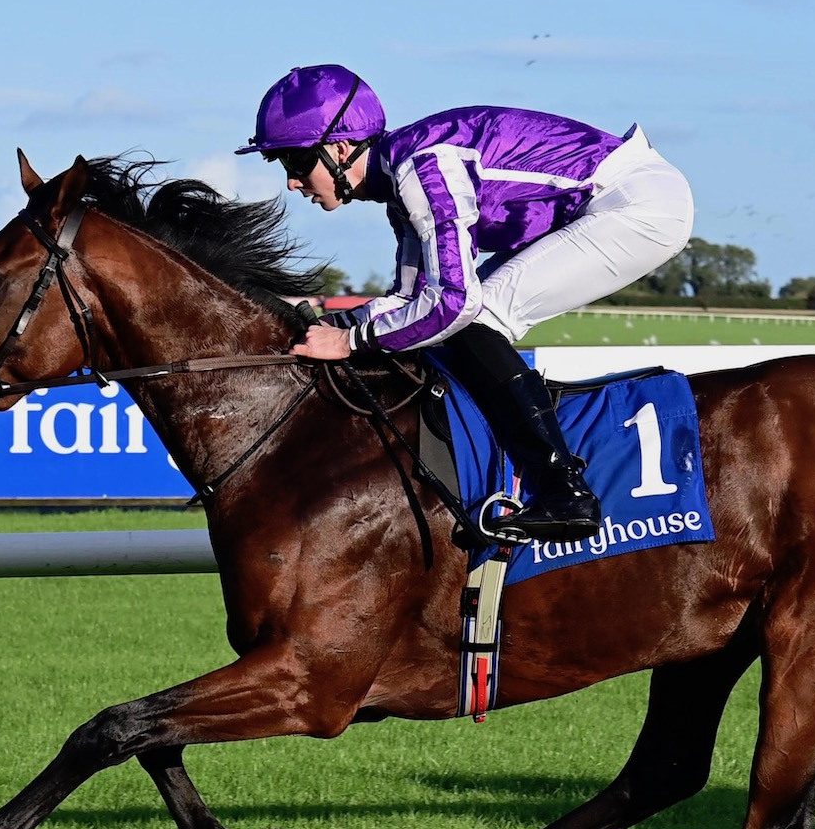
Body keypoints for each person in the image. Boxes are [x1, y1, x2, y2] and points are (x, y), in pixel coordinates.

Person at [238, 64, 694, 544]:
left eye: (294, 162)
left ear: (339, 148)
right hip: (612, 199)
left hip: (636, 205)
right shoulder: (400, 182)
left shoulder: (421, 168)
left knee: (474, 321)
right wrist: (335, 324)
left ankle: (564, 494)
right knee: (446, 325)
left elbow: (454, 302)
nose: (292, 183)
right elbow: (408, 300)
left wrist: (350, 341)